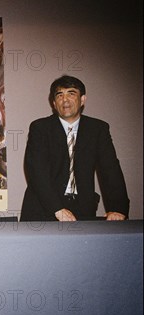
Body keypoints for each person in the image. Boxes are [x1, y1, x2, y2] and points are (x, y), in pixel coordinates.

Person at [20, 75, 129, 221]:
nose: (65, 100)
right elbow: (37, 171)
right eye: (60, 95)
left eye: (71, 93)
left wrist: (117, 208)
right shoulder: (40, 128)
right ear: (53, 102)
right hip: (43, 210)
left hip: (82, 209)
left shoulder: (98, 129)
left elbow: (110, 170)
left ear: (82, 99)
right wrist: (56, 208)